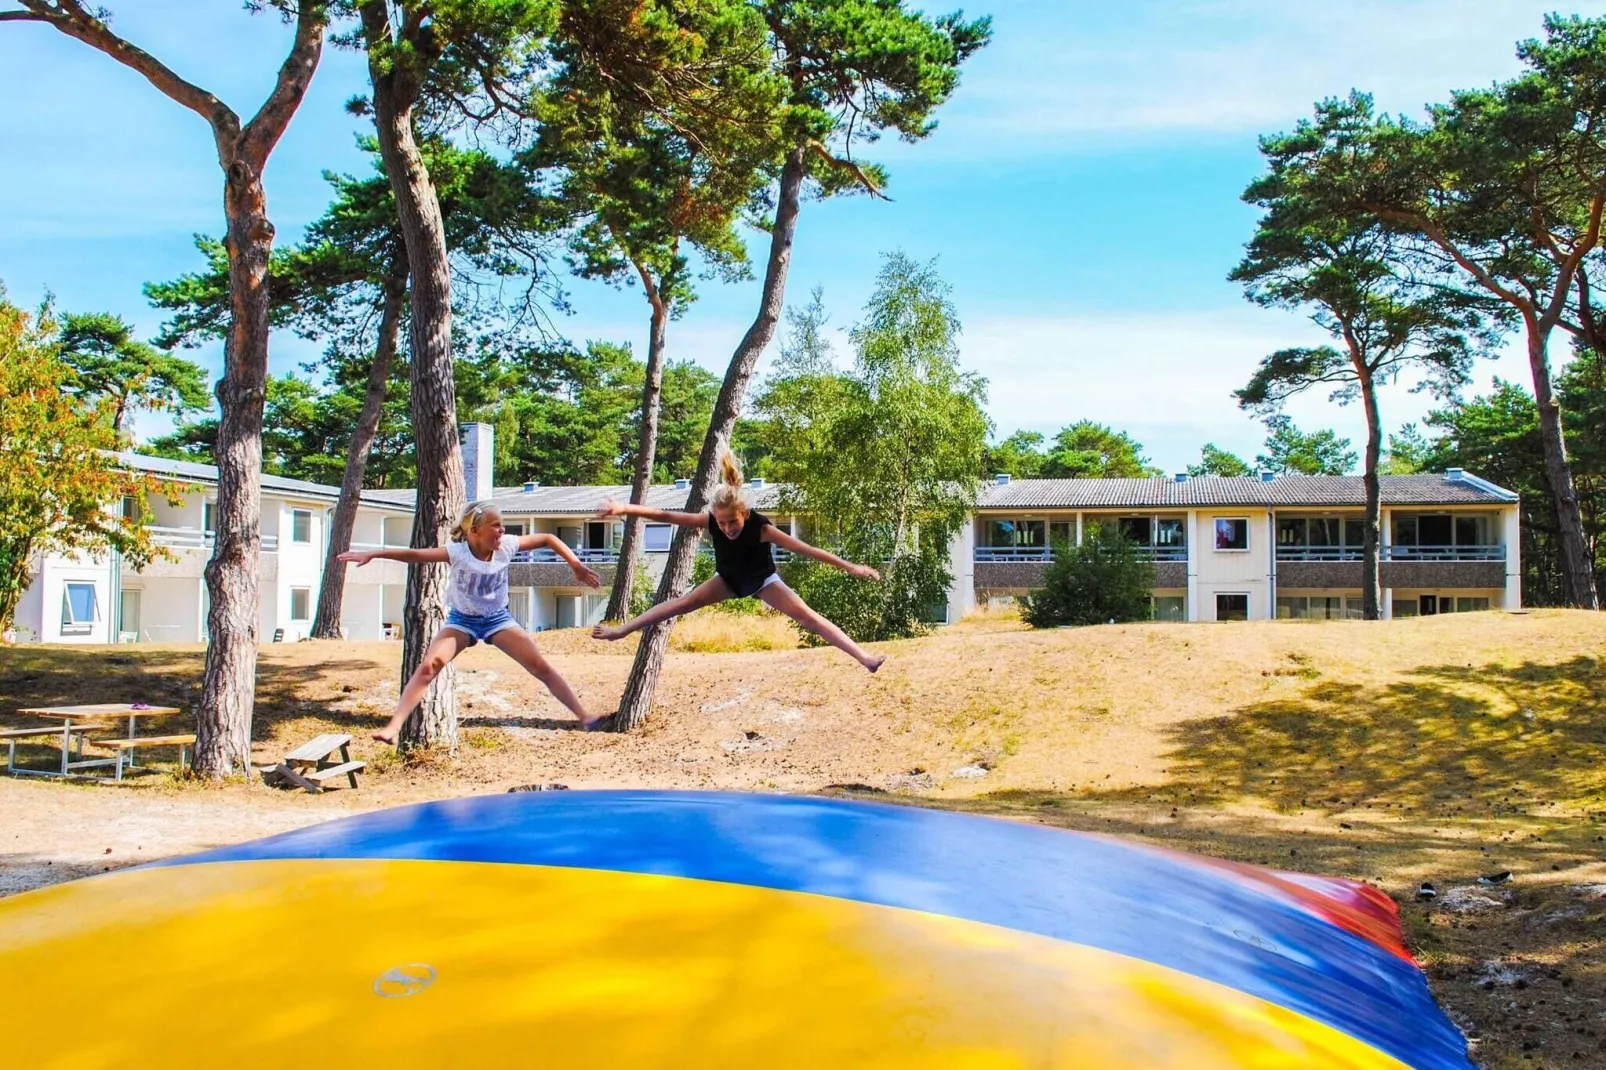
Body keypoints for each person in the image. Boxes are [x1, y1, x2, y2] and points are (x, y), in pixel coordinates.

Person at [590, 452, 888, 672]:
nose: (727, 529)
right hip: (728, 580)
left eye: (732, 522)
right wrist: (623, 507)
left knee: (808, 617)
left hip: (763, 581)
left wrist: (851, 567)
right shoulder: (709, 521)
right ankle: (622, 630)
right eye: (721, 524)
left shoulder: (762, 529)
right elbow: (665, 516)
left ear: (743, 514)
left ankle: (865, 658)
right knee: (680, 603)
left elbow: (807, 550)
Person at [339, 501, 609, 743]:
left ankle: (585, 716)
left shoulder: (507, 547)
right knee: (428, 666)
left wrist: (575, 564)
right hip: (462, 620)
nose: (501, 531)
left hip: (497, 619)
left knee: (540, 666)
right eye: (495, 526)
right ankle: (393, 727)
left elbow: (549, 538)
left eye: (503, 526)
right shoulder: (457, 552)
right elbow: (415, 555)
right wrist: (375, 554)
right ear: (474, 531)